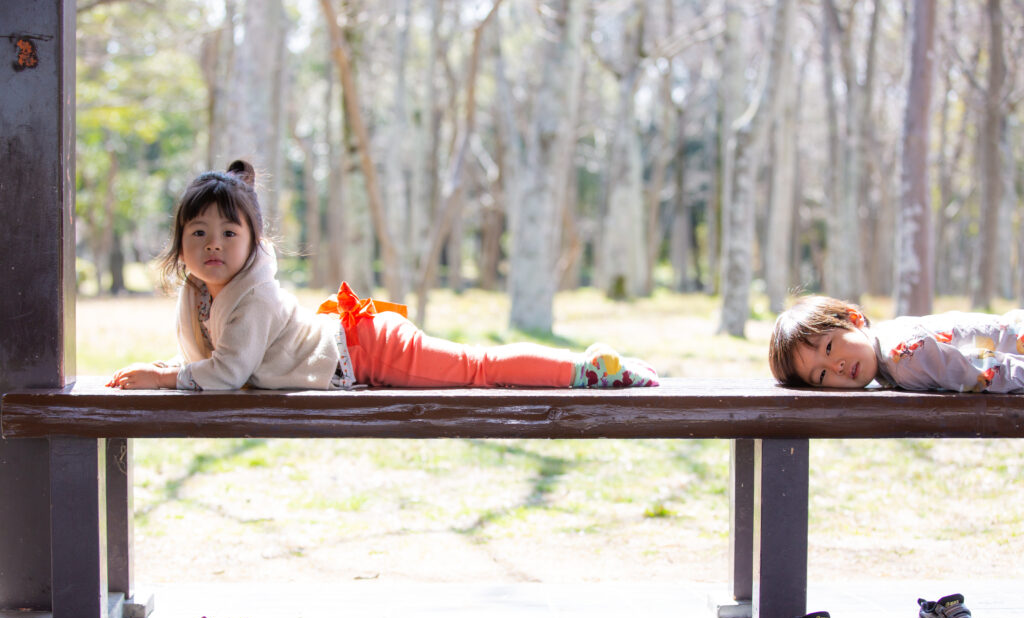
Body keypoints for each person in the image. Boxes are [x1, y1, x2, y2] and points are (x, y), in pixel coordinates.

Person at [108, 160, 659, 392]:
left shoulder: (255, 295)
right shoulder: (201, 293)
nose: (213, 244)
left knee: (477, 369)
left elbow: (228, 373)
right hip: (351, 340)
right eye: (199, 232)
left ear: (254, 242)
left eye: (229, 232)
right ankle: (584, 366)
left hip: (365, 350)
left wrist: (164, 379)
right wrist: (170, 368)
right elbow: (218, 356)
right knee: (476, 366)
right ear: (180, 241)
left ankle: (587, 370)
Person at [769, 295, 1024, 392]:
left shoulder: (902, 357)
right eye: (822, 375)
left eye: (829, 348)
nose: (837, 366)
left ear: (853, 319)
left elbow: (987, 371)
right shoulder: (886, 351)